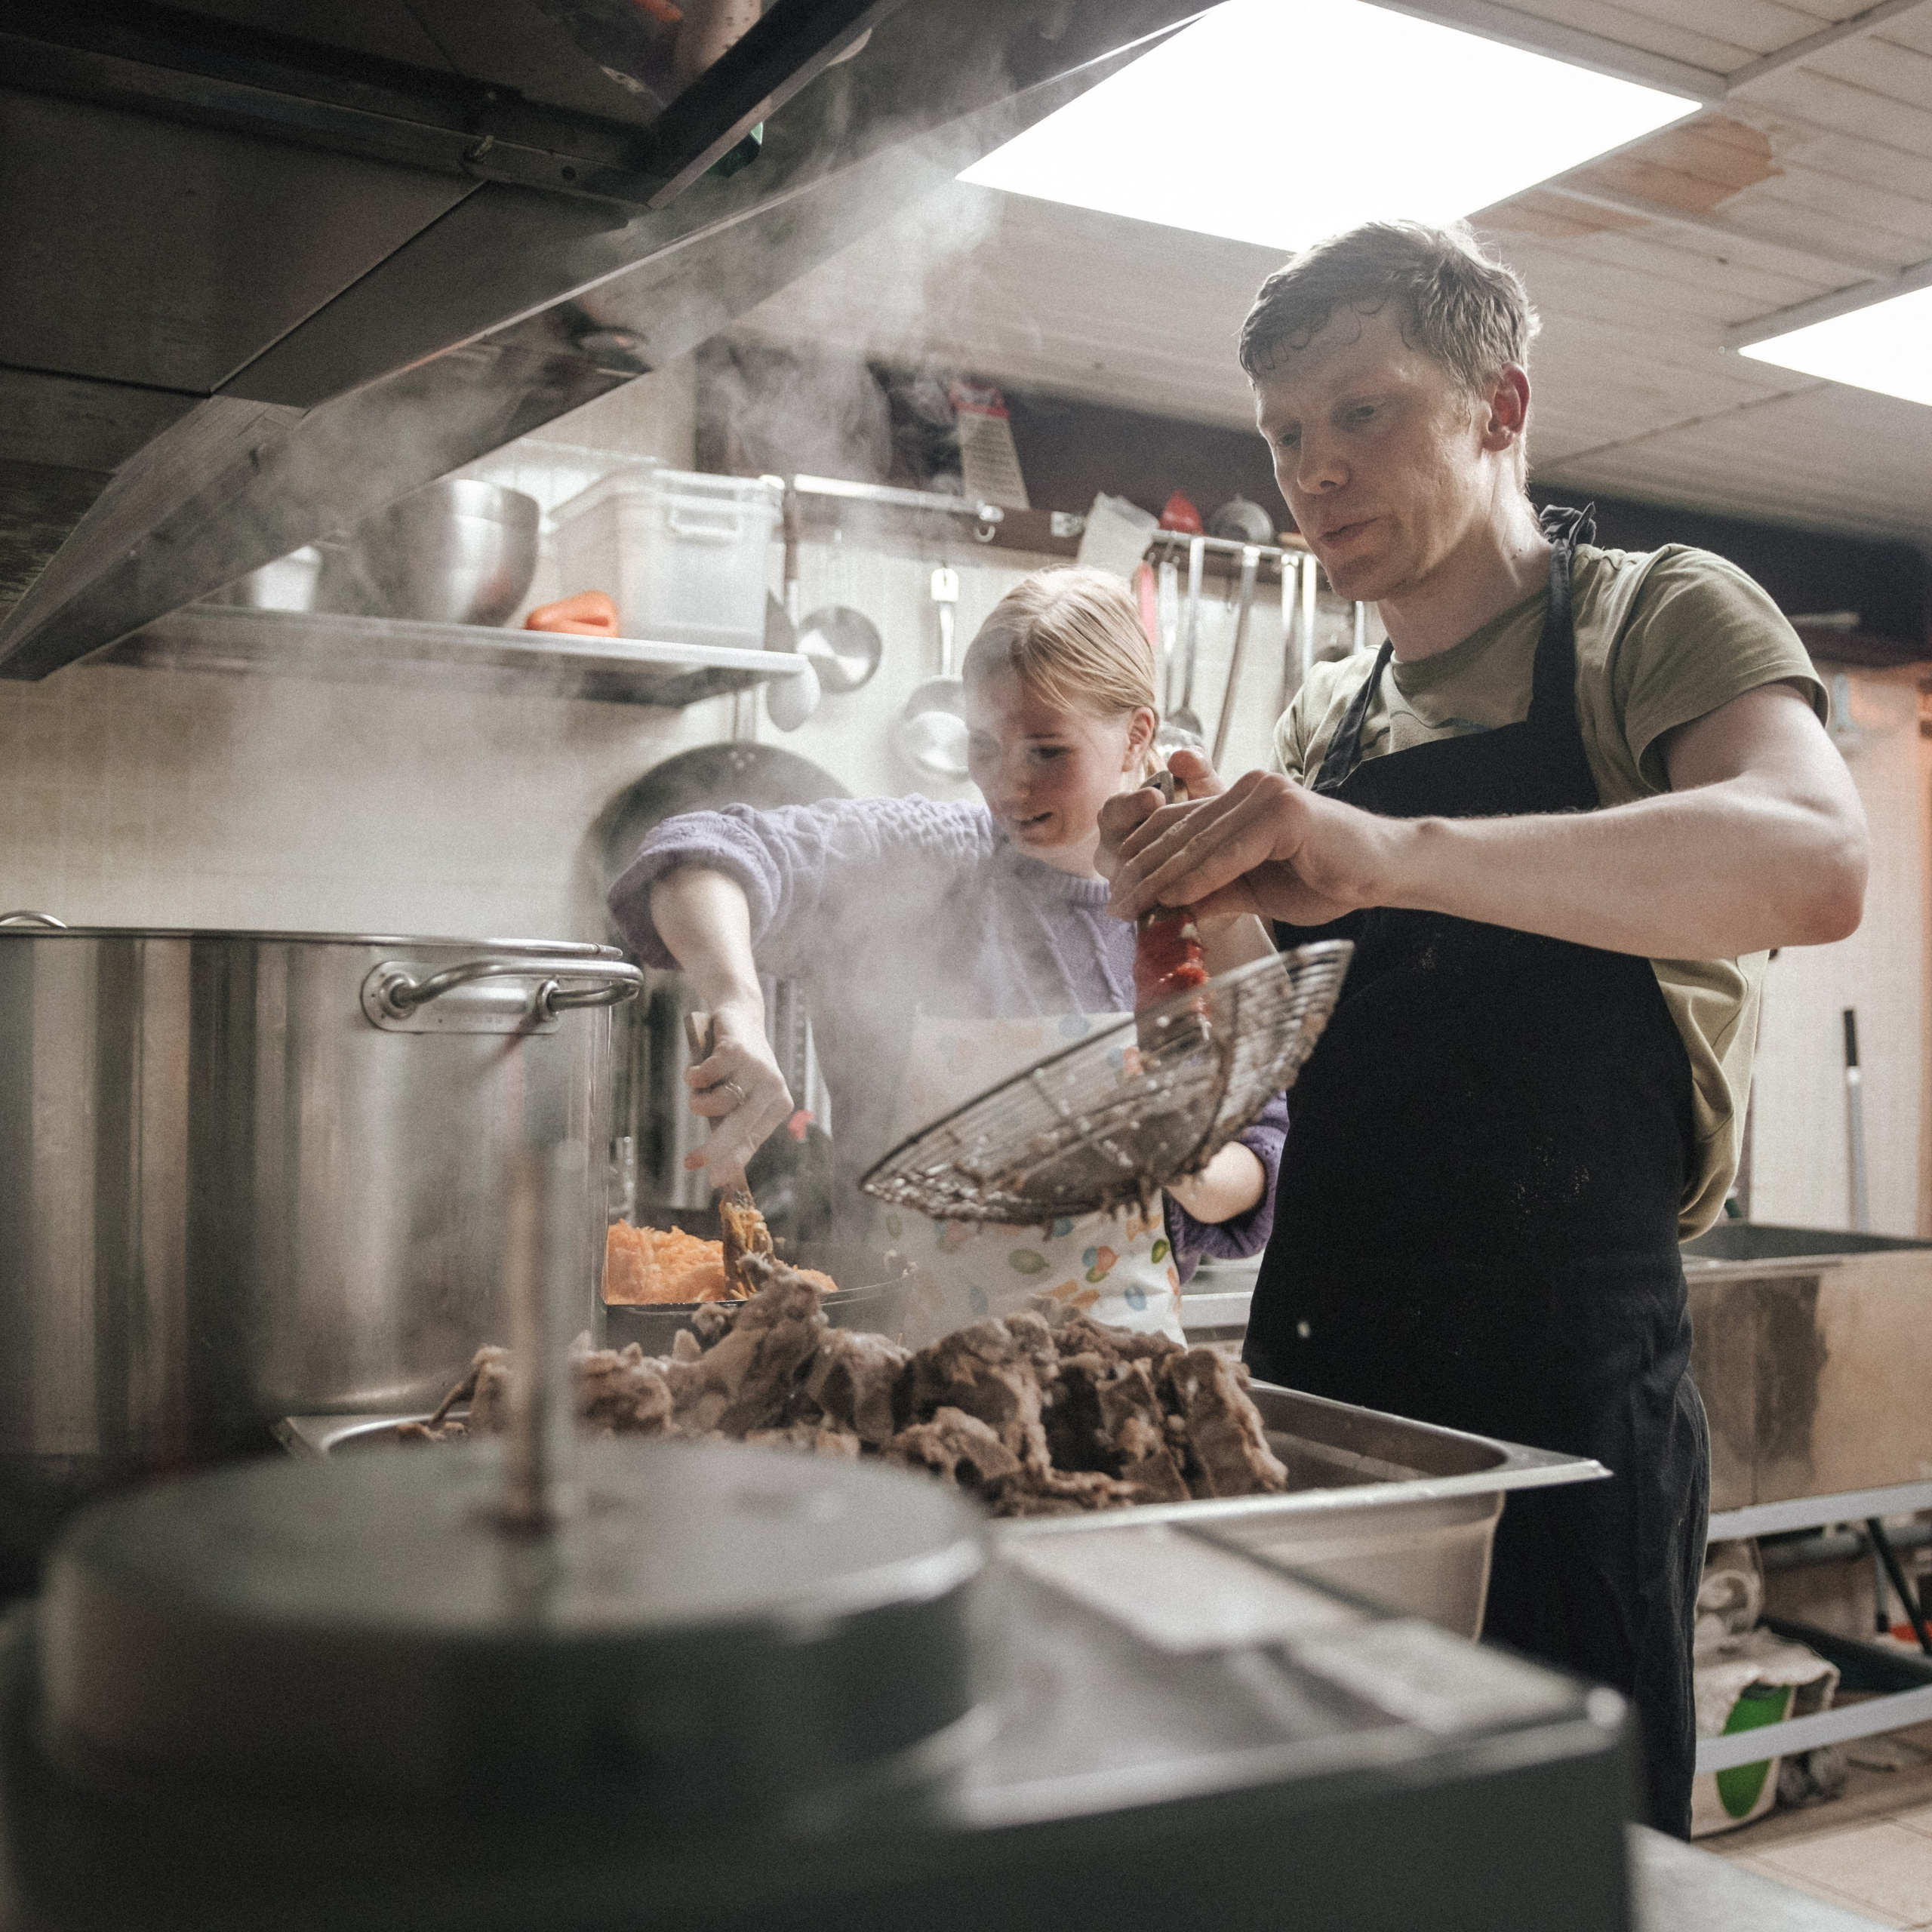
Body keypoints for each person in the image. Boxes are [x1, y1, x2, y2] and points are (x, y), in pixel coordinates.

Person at [1101, 220, 1869, 1837]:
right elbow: (1286, 1032)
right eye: (1284, 434)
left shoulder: (1648, 622)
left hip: (1561, 1364)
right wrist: (1186, 903)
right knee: (1339, 1836)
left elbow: (1814, 863)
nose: (1314, 470)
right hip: (1329, 1351)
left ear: (1499, 403)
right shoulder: (1330, 711)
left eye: (1361, 412)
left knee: (1557, 1848)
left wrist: (1389, 851)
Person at [608, 566, 1286, 1345]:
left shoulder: (1195, 912)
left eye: (1047, 751)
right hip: (898, 1367)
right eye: (983, 746)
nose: (1009, 784)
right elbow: (698, 854)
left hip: (1118, 1369)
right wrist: (738, 1002)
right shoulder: (924, 861)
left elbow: (1264, 1150)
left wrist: (1187, 1167)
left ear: (1137, 734)